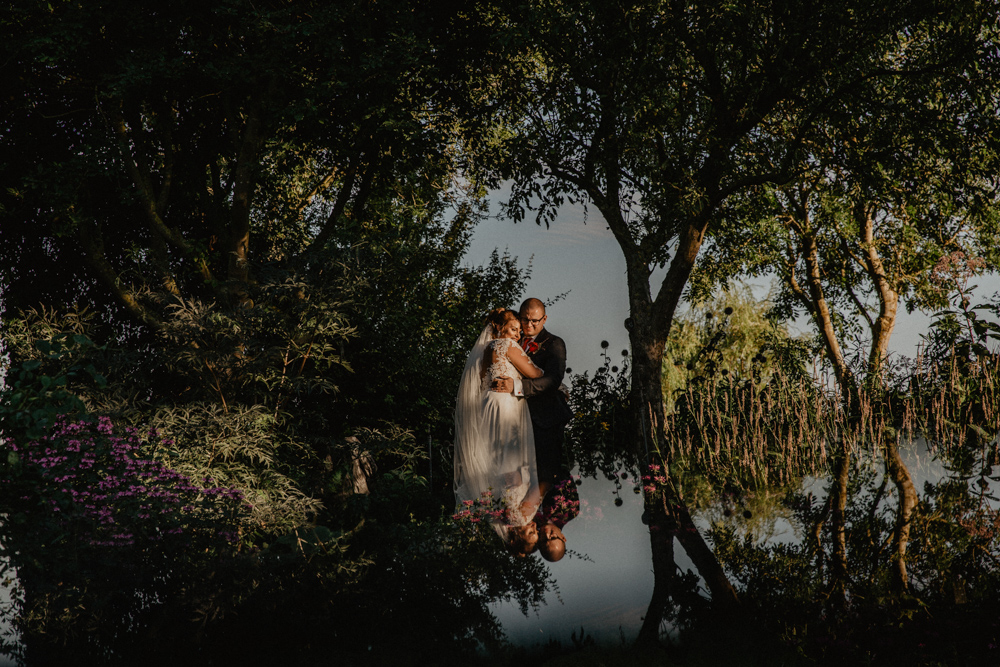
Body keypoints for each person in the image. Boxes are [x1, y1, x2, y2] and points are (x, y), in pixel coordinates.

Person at [454, 308, 544, 552]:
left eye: (518, 330)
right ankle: (509, 476)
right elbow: (535, 374)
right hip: (506, 405)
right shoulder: (506, 345)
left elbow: (482, 381)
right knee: (508, 450)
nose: (517, 334)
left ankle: (509, 476)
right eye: (514, 329)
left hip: (490, 404)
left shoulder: (485, 350)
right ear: (501, 329)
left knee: (500, 452)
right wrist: (554, 382)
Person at [492, 298, 573, 495]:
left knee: (545, 474)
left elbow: (552, 380)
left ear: (544, 319)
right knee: (514, 476)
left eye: (534, 321)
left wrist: (516, 386)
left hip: (545, 418)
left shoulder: (554, 343)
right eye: (524, 319)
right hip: (513, 418)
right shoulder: (511, 338)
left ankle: (544, 520)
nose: (528, 325)